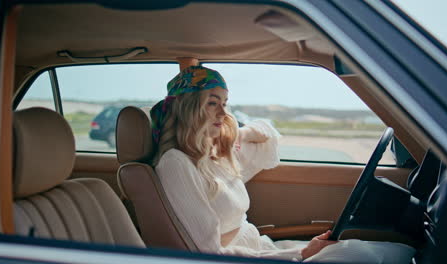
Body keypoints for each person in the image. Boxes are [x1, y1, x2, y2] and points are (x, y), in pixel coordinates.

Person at [150, 65, 415, 262]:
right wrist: (299, 253)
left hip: (259, 248)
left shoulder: (215, 154)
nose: (224, 113)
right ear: (188, 108)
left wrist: (240, 133)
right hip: (244, 257)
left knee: (390, 253)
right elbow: (207, 254)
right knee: (373, 257)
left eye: (225, 104)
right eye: (212, 103)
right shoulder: (176, 164)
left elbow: (269, 142)